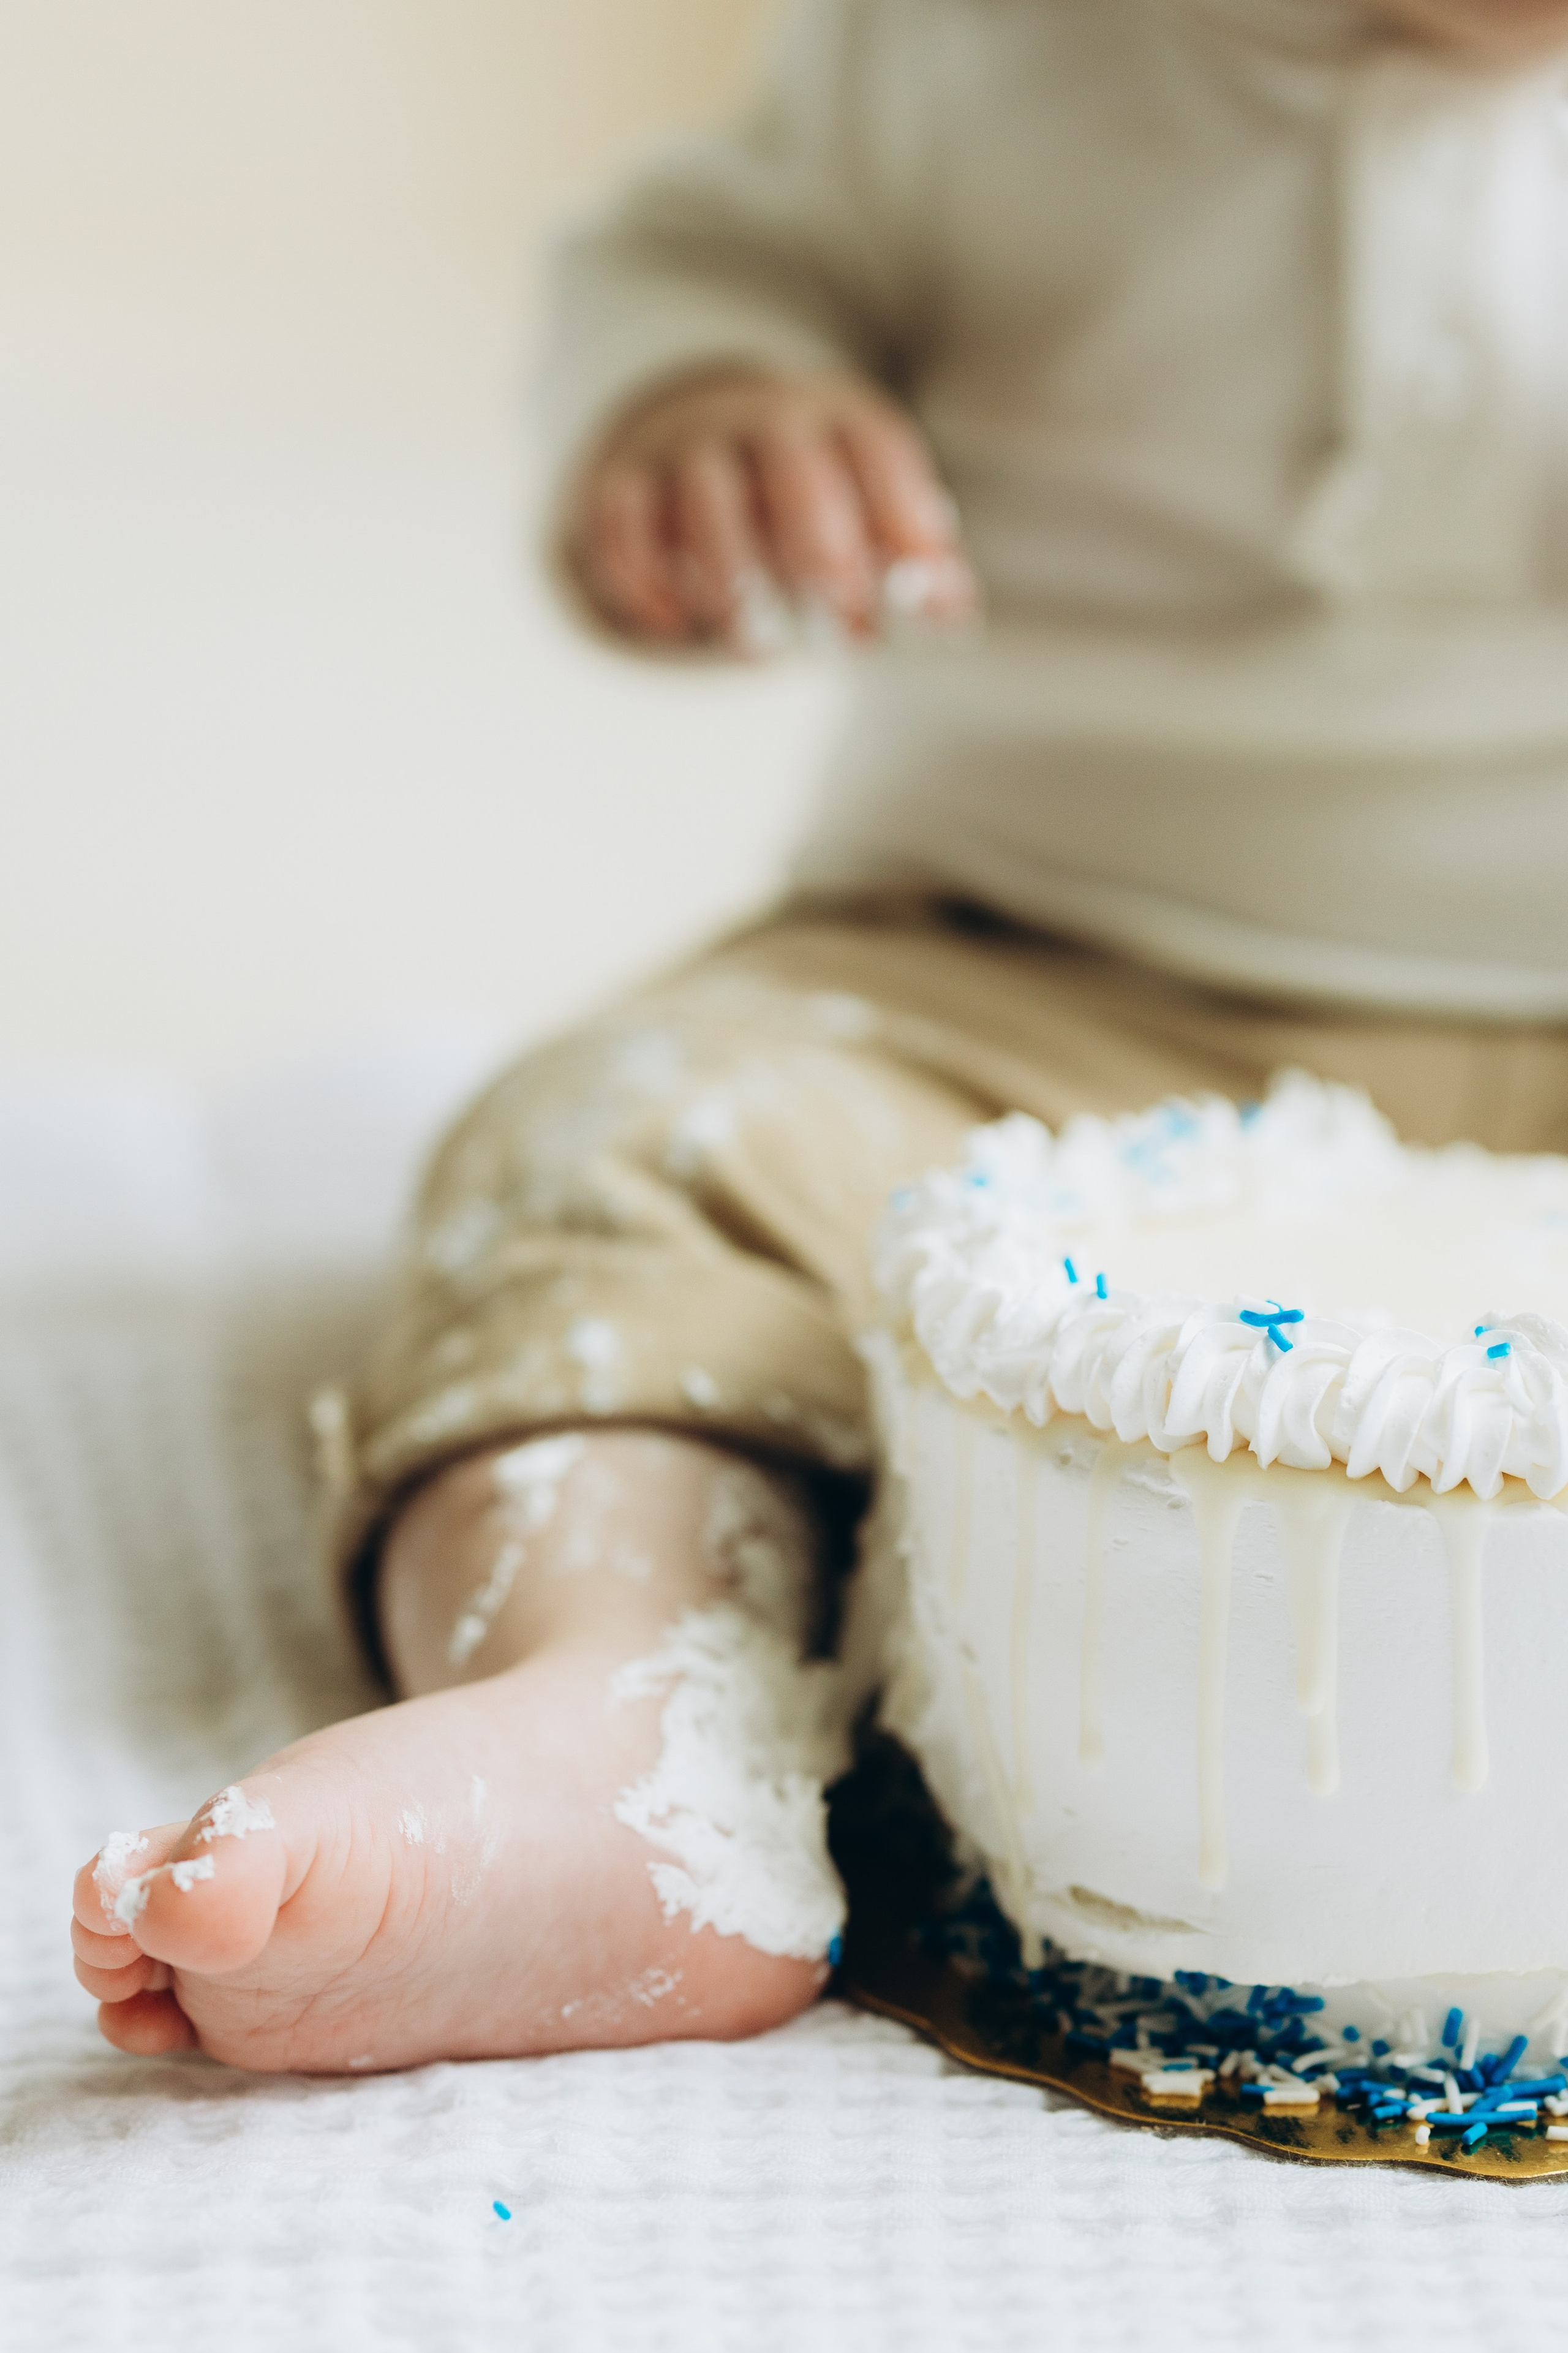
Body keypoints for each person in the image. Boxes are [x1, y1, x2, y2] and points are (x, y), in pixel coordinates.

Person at [74, 0, 1568, 2072]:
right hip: (1020, 962)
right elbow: (702, 253)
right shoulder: (969, 49)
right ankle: (627, 1731)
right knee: (619, 1141)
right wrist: (710, 405)